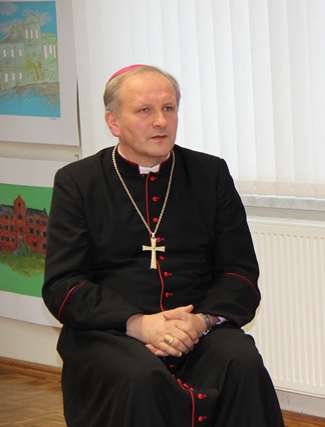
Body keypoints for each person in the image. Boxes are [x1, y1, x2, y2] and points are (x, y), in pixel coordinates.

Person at [42, 65, 285, 427]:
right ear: (113, 122)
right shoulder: (78, 182)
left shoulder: (210, 174)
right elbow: (63, 285)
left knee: (242, 361)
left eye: (168, 108)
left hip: (196, 329)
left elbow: (240, 272)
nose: (161, 121)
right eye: (145, 110)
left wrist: (200, 322)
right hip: (112, 333)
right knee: (141, 377)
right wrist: (137, 324)